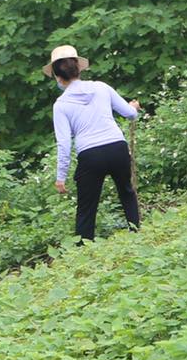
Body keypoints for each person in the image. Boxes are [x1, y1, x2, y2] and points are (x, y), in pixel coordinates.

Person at [46, 45, 140, 239]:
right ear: (79, 68)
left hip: (90, 155)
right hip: (117, 147)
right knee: (127, 192)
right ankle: (137, 233)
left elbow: (64, 143)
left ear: (57, 76)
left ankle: (84, 250)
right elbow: (130, 114)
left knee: (86, 207)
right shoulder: (101, 87)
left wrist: (60, 177)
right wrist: (134, 107)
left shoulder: (61, 105)